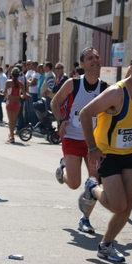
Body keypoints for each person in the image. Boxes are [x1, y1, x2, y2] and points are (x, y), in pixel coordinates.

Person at [78, 47, 132, 262]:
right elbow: (85, 113)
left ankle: (106, 245)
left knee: (129, 203)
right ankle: (92, 188)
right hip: (107, 153)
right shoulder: (116, 92)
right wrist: (91, 148)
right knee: (118, 205)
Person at [51, 47, 108, 235]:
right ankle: (64, 169)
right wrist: (61, 121)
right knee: (74, 183)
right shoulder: (73, 84)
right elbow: (54, 102)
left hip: (94, 141)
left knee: (93, 182)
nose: (95, 60)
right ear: (82, 64)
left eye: (97, 57)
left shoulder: (105, 88)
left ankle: (85, 219)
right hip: (72, 136)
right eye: (90, 58)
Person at [3, 67, 26, 143]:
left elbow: (4, 92)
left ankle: (11, 136)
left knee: (10, 120)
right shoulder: (21, 84)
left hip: (10, 102)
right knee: (14, 120)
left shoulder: (8, 82)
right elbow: (24, 95)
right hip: (17, 103)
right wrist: (20, 96)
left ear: (11, 74)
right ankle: (11, 134)